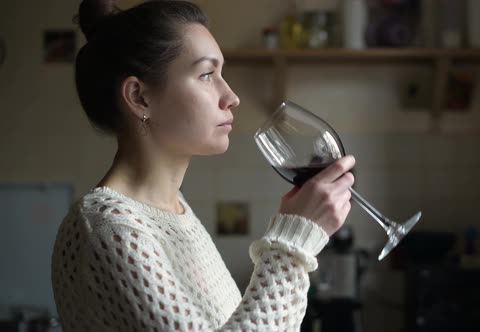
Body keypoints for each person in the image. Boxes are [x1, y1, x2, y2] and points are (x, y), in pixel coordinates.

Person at [51, 1, 355, 331]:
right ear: (139, 97)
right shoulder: (108, 229)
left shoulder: (176, 213)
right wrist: (293, 242)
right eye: (207, 74)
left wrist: (297, 238)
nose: (231, 96)